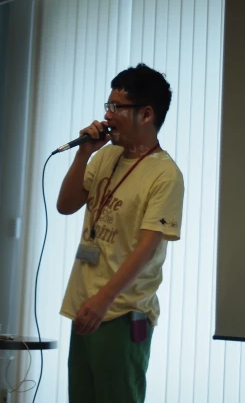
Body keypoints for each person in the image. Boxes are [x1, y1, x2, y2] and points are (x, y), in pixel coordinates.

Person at [56, 63, 185, 403]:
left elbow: (145, 250)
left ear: (145, 114)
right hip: (86, 304)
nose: (108, 115)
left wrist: (104, 299)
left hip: (122, 312)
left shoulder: (165, 174)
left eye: (117, 107)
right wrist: (84, 153)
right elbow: (65, 205)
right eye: (107, 106)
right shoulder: (105, 157)